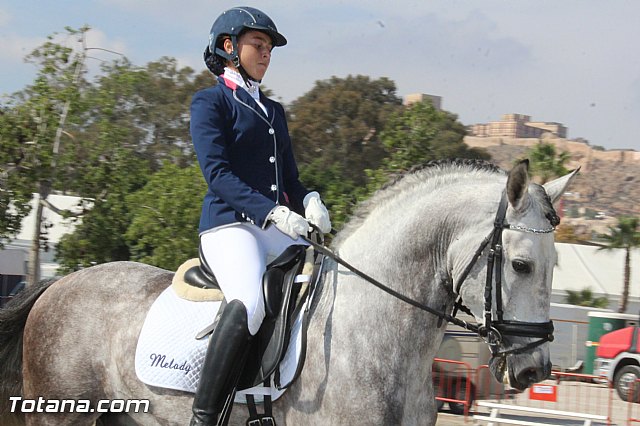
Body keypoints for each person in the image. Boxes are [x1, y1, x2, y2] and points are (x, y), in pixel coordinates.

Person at [189, 6, 332, 425]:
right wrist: (272, 212)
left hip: (274, 226)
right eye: (258, 45)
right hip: (229, 225)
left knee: (328, 283)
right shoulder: (210, 101)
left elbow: (290, 179)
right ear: (229, 46)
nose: (266, 54)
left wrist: (308, 201)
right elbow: (217, 174)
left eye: (269, 48)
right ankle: (205, 415)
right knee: (250, 301)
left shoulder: (273, 112)